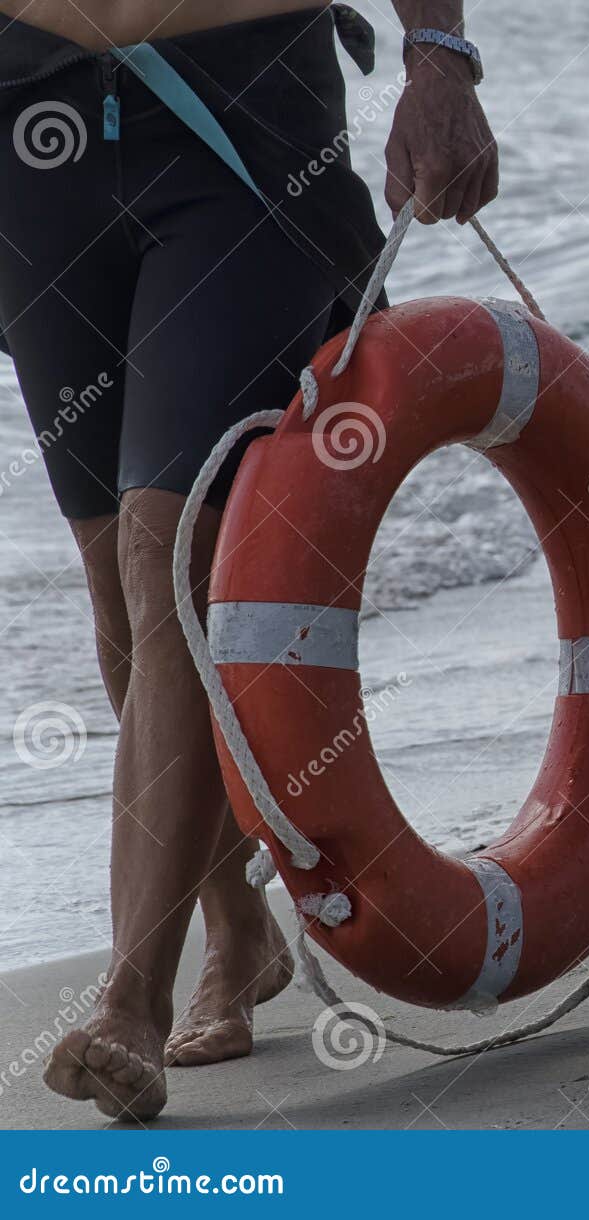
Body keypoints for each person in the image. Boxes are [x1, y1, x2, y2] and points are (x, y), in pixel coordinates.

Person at [0, 0, 498, 1120]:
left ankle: (129, 993)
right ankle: (232, 916)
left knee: (167, 547)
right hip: (28, 126)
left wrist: (439, 59)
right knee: (117, 590)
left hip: (242, 118)